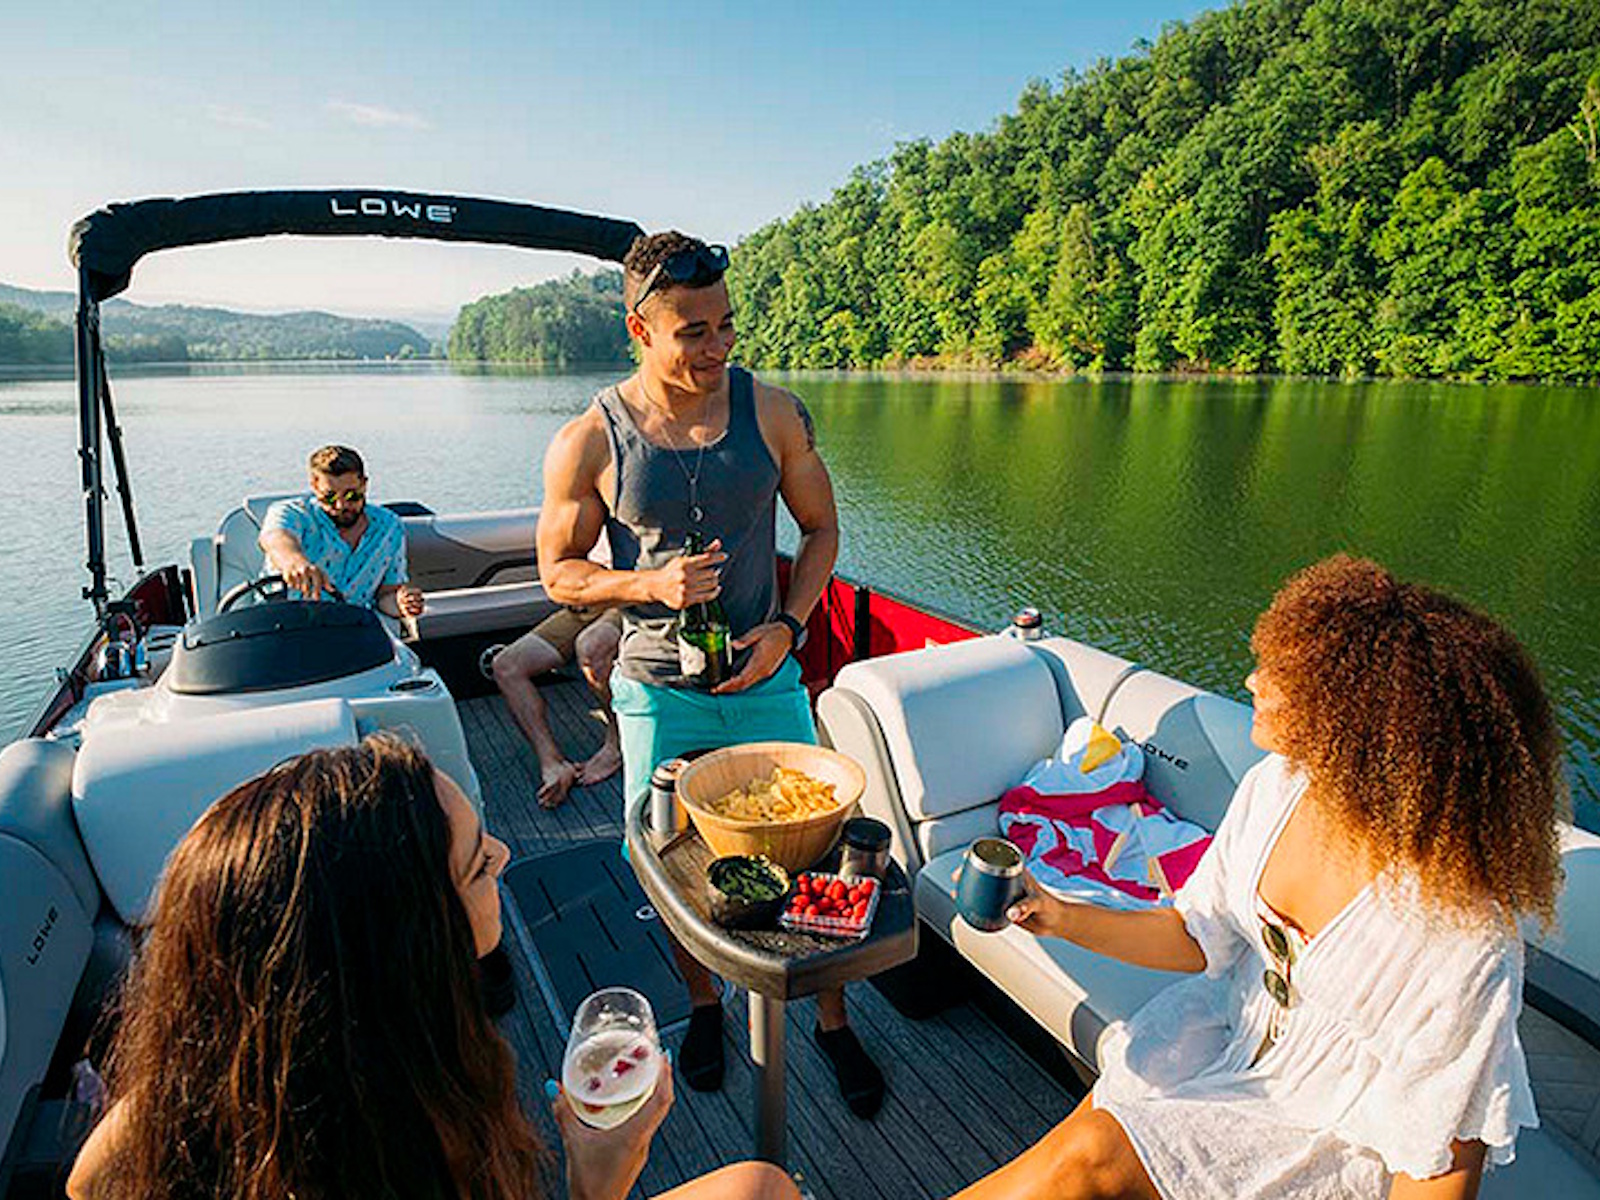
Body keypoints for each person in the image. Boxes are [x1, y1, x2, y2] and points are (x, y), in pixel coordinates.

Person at [953, 554, 1566, 1200]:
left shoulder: (1459, 934)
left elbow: (1442, 1161)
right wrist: (1059, 915)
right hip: (1223, 1035)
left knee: (1089, 1157)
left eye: (1281, 675)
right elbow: (1197, 935)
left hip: (1327, 1129)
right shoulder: (1276, 788)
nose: (1252, 680)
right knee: (1087, 1134)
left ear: (1355, 722)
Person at [66, 733, 800, 1200]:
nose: (503, 858)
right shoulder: (396, 1146)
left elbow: (86, 1184)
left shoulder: (204, 1080)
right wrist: (597, 1182)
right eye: (478, 864)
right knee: (763, 1188)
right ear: (403, 941)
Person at [535, 231, 885, 1118]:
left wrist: (788, 628)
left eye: (726, 324)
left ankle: (832, 1019)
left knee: (817, 851)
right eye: (694, 331)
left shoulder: (774, 413)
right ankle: (702, 1008)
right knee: (668, 864)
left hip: (765, 678)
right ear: (639, 330)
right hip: (660, 689)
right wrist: (644, 585)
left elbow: (822, 532)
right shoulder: (589, 441)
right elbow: (559, 575)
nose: (718, 345)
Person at [258, 443, 425, 619]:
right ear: (315, 486)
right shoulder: (293, 513)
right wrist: (294, 560)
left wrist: (401, 604)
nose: (340, 505)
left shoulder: (389, 526)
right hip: (285, 623)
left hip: (350, 627)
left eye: (351, 496)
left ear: (364, 485)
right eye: (329, 497)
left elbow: (386, 595)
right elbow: (275, 537)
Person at [493, 605, 625, 808]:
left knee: (592, 647)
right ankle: (553, 763)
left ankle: (616, 744)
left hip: (630, 604)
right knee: (506, 666)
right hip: (589, 605)